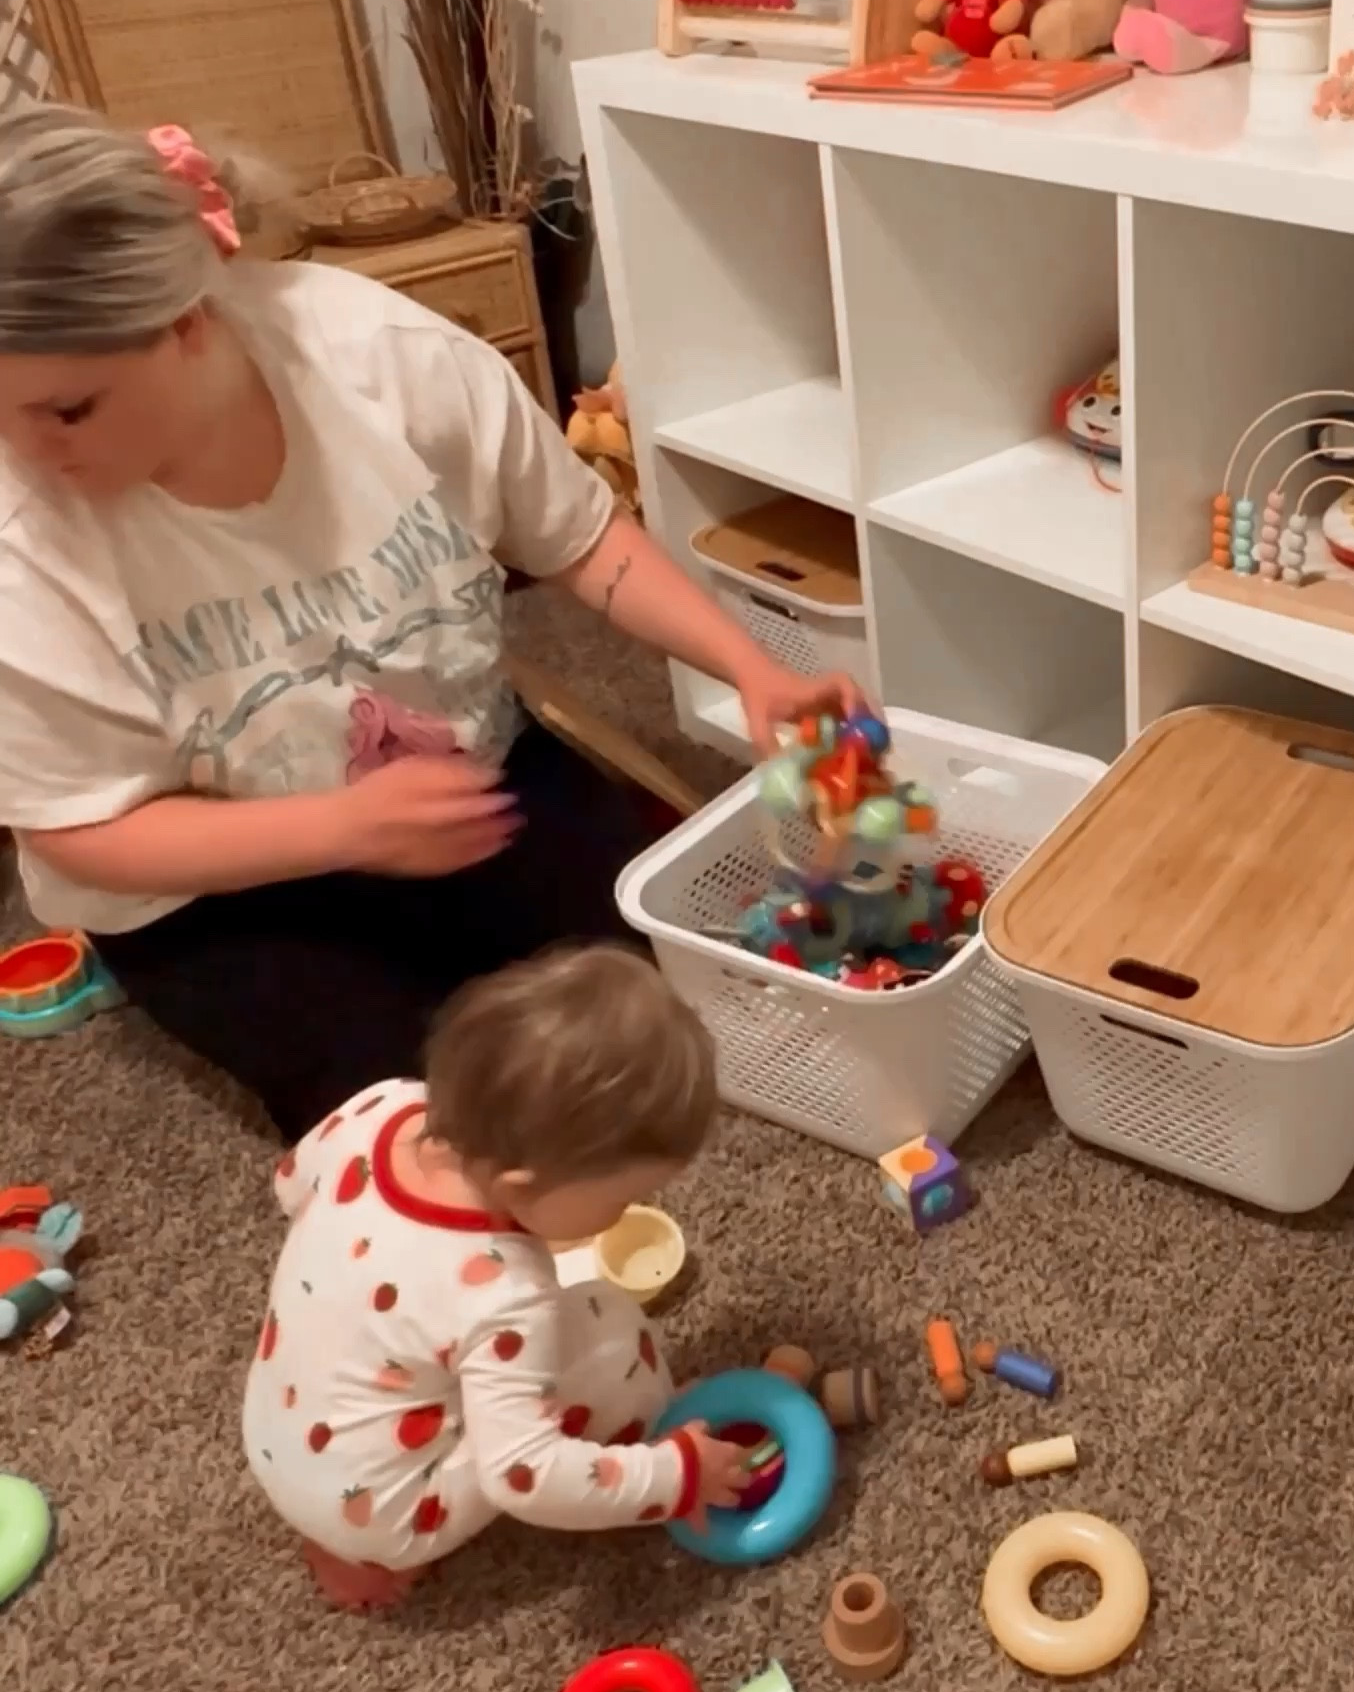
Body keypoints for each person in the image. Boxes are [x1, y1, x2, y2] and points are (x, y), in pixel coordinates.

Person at [0, 107, 853, 1139]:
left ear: (187, 319)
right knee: (428, 1121)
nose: (34, 447)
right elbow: (82, 833)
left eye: (67, 409)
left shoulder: (381, 357)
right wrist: (339, 829)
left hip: (461, 778)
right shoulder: (24, 535)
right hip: (212, 888)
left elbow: (578, 540)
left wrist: (749, 666)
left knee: (662, 984)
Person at [244, 945, 759, 1611]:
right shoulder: (505, 1294)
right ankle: (657, 1422)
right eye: (621, 1196)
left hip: (276, 1437)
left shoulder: (382, 1105)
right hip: (392, 1511)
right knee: (606, 1322)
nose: (631, 1213)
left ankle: (331, 1530)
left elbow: (289, 1182)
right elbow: (525, 1475)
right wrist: (672, 1475)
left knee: (400, 1346)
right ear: (525, 1184)